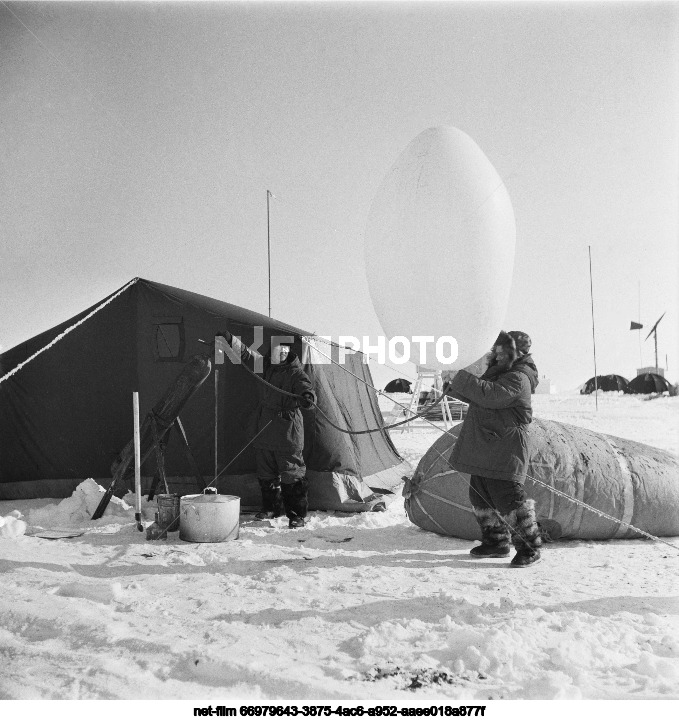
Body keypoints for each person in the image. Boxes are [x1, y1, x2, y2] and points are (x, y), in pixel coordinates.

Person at [444, 330, 542, 567]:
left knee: (508, 497)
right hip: (490, 444)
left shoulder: (518, 377)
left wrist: (461, 378)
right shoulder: (503, 373)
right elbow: (481, 394)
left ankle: (530, 547)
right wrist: (453, 387)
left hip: (505, 446)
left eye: (500, 349)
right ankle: (496, 541)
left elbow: (491, 395)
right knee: (480, 493)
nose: (495, 353)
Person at [217, 330, 316, 528]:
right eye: (277, 349)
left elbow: (307, 388)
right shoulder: (265, 367)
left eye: (284, 349)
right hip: (265, 427)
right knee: (266, 472)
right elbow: (246, 354)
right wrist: (231, 339)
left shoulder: (296, 373)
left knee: (292, 473)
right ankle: (272, 508)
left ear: (288, 351)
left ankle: (297, 514)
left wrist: (307, 398)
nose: (280, 353)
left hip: (288, 431)